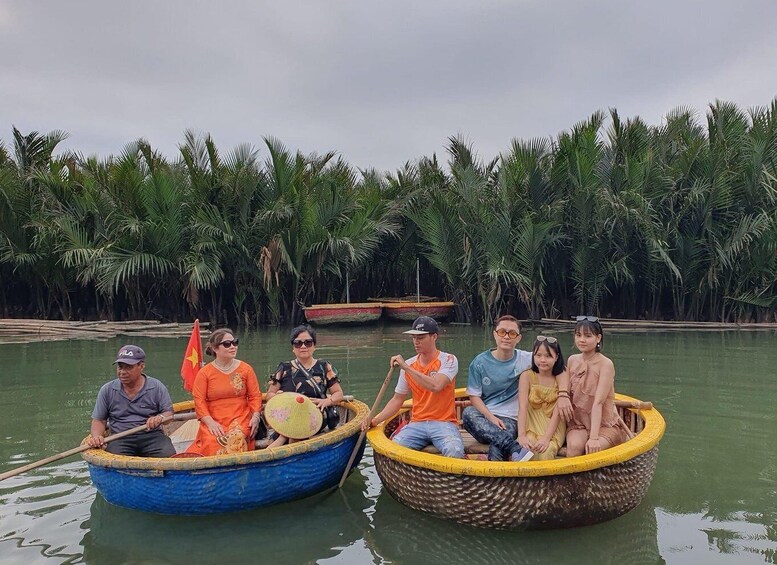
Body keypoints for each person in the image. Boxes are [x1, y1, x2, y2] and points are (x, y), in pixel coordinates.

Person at [462, 315, 572, 461]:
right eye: (502, 332)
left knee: (499, 444)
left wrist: (563, 394)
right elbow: (474, 396)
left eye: (512, 333)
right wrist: (491, 417)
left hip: (512, 419)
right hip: (488, 418)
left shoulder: (528, 358)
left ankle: (495, 480)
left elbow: (560, 368)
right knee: (468, 413)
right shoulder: (479, 363)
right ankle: (514, 448)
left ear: (518, 338)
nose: (506, 337)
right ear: (494, 334)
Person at [363, 316, 465, 458]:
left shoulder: (448, 360)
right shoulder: (409, 365)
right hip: (417, 423)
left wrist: (405, 367)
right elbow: (397, 400)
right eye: (413, 338)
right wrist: (374, 420)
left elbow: (436, 385)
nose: (416, 342)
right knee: (393, 449)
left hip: (444, 423)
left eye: (421, 338)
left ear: (434, 337)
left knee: (455, 451)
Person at [87, 345, 176, 457]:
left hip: (152, 436)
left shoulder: (156, 387)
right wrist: (97, 437)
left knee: (168, 455)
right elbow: (99, 421)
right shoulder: (107, 390)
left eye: (128, 367)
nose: (123, 372)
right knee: (114, 460)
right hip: (119, 437)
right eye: (120, 367)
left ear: (141, 366)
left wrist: (160, 418)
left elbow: (169, 415)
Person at [185, 329, 262, 456]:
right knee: (212, 441)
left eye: (234, 342)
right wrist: (210, 422)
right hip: (213, 418)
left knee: (236, 439)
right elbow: (199, 401)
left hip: (240, 416)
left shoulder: (246, 369)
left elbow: (255, 396)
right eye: (227, 344)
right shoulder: (204, 373)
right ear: (215, 349)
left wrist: (255, 417)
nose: (233, 347)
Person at [265, 324, 344, 448]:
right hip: (288, 414)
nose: (303, 346)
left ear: (314, 346)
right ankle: (284, 440)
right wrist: (276, 397)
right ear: (293, 348)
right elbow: (270, 394)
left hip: (315, 413)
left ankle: (279, 444)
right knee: (292, 424)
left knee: (294, 429)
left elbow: (338, 394)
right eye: (298, 343)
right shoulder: (284, 368)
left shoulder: (324, 367)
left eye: (308, 343)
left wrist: (327, 401)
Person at [565, 316, 631, 456]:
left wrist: (594, 438)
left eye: (588, 336)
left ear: (598, 338)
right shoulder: (572, 360)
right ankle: (573, 478)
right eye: (578, 335)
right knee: (574, 446)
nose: (582, 340)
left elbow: (598, 402)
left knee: (594, 449)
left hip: (604, 425)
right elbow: (565, 392)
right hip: (579, 422)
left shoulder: (605, 364)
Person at [517, 336, 568, 461]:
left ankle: (546, 480)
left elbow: (558, 413)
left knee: (547, 449)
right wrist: (521, 435)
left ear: (556, 357)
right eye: (538, 355)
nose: (542, 360)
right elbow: (522, 407)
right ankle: (524, 480)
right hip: (532, 423)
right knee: (527, 448)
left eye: (548, 356)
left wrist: (546, 438)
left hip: (553, 425)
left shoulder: (562, 376)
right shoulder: (527, 376)